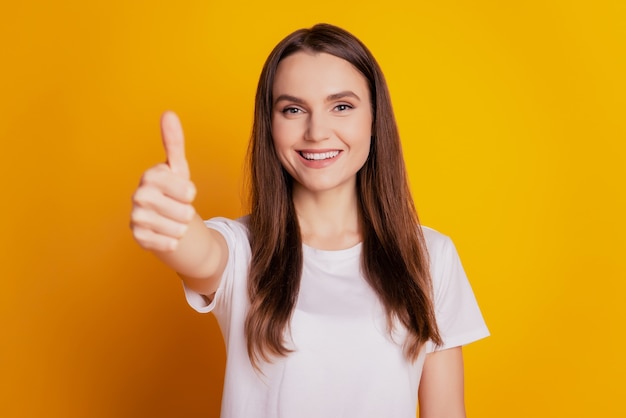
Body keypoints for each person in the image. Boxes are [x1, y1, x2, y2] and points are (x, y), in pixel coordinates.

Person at [131, 23, 489, 418]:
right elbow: (200, 254)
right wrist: (172, 225)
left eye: (341, 106)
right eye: (293, 109)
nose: (317, 132)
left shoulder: (431, 256)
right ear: (270, 125)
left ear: (374, 119)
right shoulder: (241, 249)